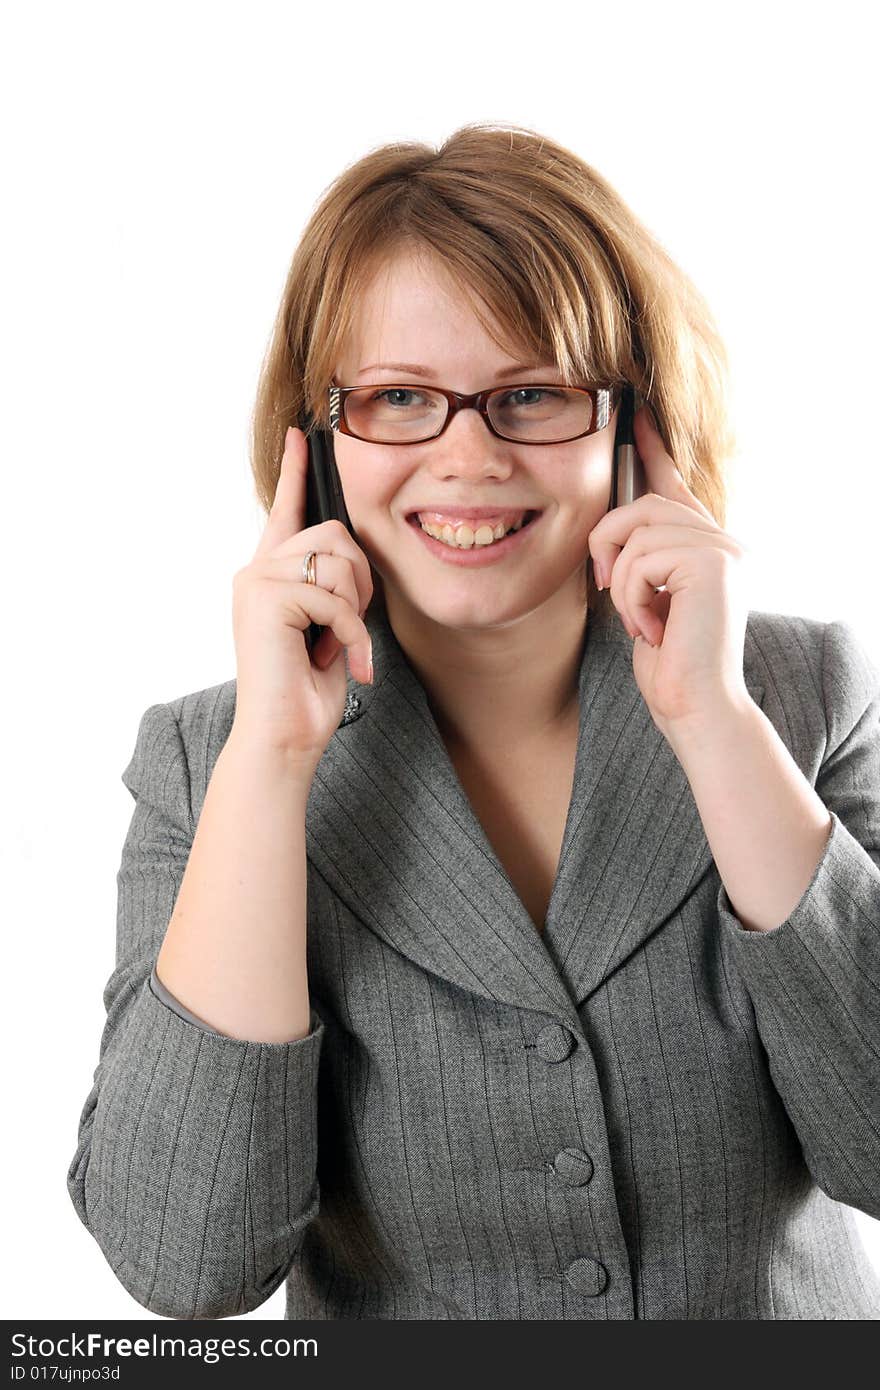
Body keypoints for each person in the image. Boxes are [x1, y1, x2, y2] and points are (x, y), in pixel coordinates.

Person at [67, 122, 880, 1321]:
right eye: (398, 398)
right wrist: (273, 765)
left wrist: (712, 721)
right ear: (318, 441)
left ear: (630, 425)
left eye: (531, 395)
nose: (467, 456)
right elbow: (186, 1265)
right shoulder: (207, 765)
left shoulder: (801, 693)